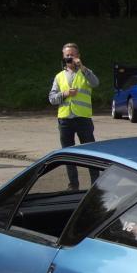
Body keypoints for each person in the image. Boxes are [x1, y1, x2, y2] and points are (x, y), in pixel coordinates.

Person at [48, 42, 99, 188]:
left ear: (78, 56)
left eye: (72, 55)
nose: (69, 57)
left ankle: (96, 185)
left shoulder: (85, 72)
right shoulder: (59, 76)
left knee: (91, 154)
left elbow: (95, 83)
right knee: (68, 155)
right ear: (63, 57)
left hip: (83, 119)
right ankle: (73, 186)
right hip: (65, 120)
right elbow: (52, 99)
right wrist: (64, 94)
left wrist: (82, 67)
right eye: (67, 55)